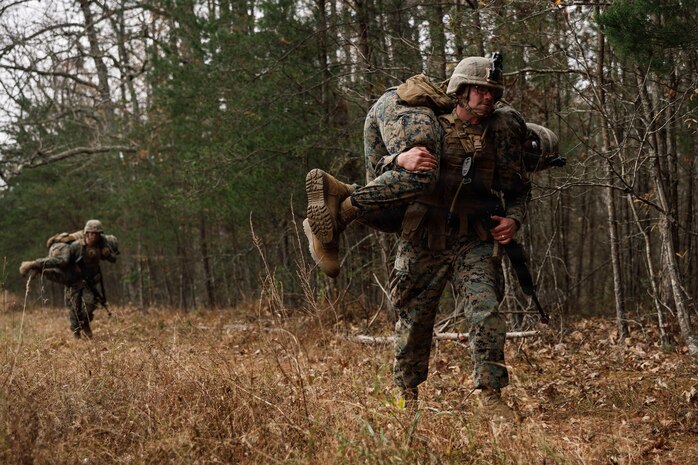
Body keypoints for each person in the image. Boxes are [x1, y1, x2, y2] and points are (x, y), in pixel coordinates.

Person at [304, 54, 534, 419]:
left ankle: (491, 396)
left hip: (473, 237)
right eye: (478, 89)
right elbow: (382, 168)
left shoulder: (501, 135)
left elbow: (520, 188)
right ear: (460, 90)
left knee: (486, 312)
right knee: (413, 321)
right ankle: (406, 398)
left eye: (492, 91)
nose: (487, 97)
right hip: (423, 235)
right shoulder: (426, 124)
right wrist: (398, 161)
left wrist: (514, 220)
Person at [19, 219, 119, 338]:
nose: (93, 236)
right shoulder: (76, 246)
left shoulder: (102, 244)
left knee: (89, 305)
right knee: (74, 310)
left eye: (96, 233)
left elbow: (113, 258)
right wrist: (36, 264)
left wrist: (107, 255)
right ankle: (76, 334)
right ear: (86, 233)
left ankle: (85, 323)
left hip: (89, 282)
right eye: (91, 233)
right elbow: (59, 261)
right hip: (72, 280)